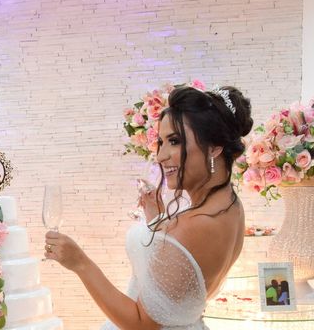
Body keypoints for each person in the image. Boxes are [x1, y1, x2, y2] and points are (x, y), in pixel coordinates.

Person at [45, 85, 253, 329]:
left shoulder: (195, 225)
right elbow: (183, 285)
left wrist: (79, 262)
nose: (161, 156)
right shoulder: (231, 208)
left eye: (174, 141)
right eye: (161, 143)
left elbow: (142, 324)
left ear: (214, 147)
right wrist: (158, 219)